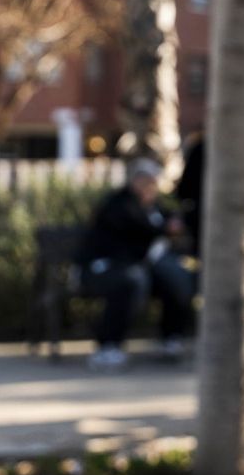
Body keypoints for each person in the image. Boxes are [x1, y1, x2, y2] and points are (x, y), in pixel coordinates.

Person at [76, 158, 196, 369]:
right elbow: (138, 229)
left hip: (138, 269)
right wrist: (165, 229)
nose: (150, 188)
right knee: (132, 282)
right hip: (103, 268)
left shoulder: (154, 207)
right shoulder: (119, 204)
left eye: (153, 183)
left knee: (177, 277)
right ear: (134, 181)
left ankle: (171, 338)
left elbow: (169, 222)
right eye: (146, 182)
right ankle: (108, 345)